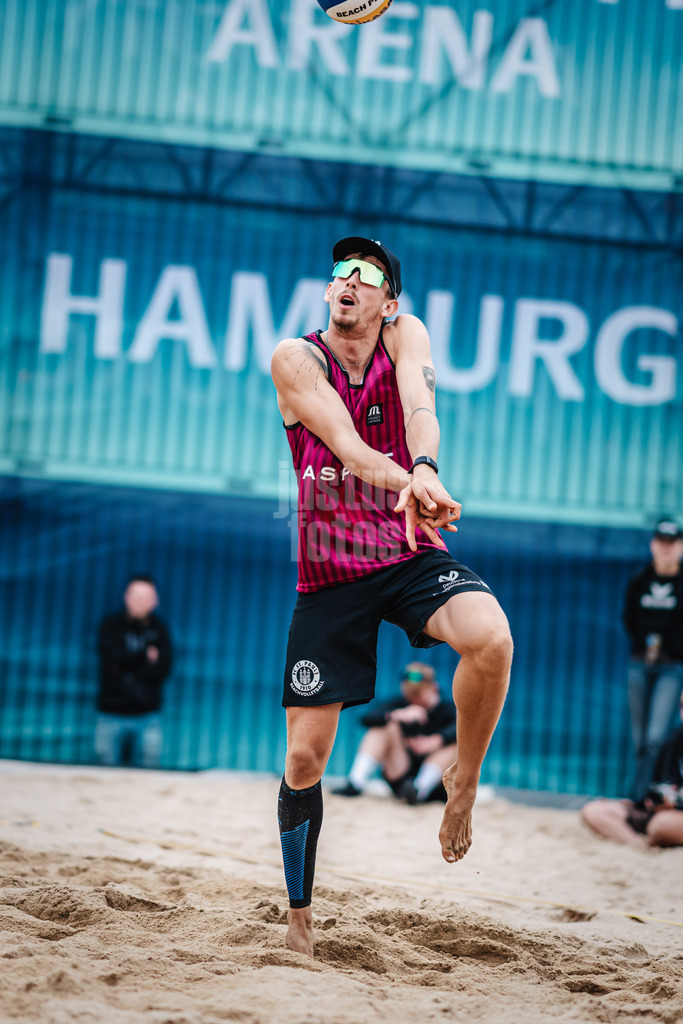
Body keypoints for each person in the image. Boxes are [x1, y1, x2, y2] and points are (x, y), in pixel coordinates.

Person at [271, 236, 513, 957]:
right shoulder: (295, 357)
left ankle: (463, 778)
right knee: (306, 761)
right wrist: (410, 481)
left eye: (365, 274)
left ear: (389, 301)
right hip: (329, 570)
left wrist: (428, 464)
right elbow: (345, 444)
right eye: (338, 272)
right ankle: (298, 922)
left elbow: (417, 409)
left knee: (491, 638)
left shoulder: (406, 335)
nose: (346, 280)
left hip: (405, 548)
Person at [333, 661, 457, 804]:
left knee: (459, 741)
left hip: (436, 786)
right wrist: (397, 715)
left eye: (419, 695)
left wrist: (435, 740)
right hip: (401, 777)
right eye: (410, 695)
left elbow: (461, 728)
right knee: (385, 724)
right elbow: (366, 718)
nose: (414, 700)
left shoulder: (449, 709)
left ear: (434, 688)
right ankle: (355, 783)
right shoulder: (402, 704)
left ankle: (419, 789)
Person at [622, 517, 683, 801]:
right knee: (640, 740)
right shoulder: (640, 582)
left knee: (656, 737)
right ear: (653, 544)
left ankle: (648, 795)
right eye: (661, 542)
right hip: (640, 664)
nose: (666, 548)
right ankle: (639, 796)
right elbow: (630, 621)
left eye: (672, 543)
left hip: (672, 667)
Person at [581, 695, 683, 848]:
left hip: (672, 817)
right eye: (682, 706)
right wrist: (646, 802)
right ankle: (639, 846)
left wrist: (676, 805)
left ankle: (652, 841)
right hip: (661, 813)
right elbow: (659, 787)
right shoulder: (673, 743)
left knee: (661, 825)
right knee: (594, 810)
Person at [95, 574, 172, 768]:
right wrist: (143, 657)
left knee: (148, 775)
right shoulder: (111, 626)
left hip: (148, 716)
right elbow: (110, 659)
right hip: (110, 714)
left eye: (145, 597)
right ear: (126, 597)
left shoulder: (160, 631)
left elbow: (162, 669)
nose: (140, 602)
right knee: (103, 774)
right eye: (136, 596)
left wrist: (125, 665)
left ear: (155, 601)